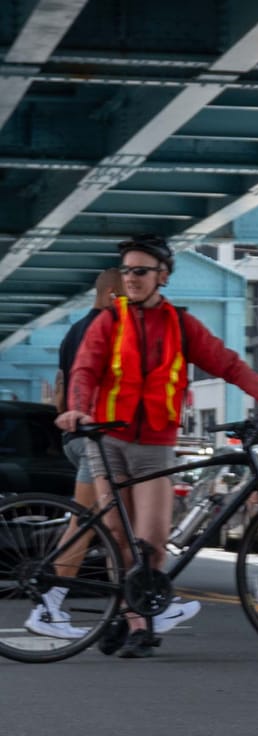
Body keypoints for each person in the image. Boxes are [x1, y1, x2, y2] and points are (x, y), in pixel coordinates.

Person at [54, 236, 258, 658]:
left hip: (154, 445)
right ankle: (136, 623)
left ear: (162, 277)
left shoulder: (181, 325)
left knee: (152, 540)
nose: (131, 278)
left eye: (141, 271)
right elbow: (84, 371)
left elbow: (229, 364)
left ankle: (124, 616)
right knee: (116, 533)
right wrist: (77, 409)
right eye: (127, 270)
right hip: (108, 439)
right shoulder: (110, 321)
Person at [26, 271, 125, 640]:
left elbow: (62, 384)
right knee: (90, 523)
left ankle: (134, 611)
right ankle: (50, 605)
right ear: (115, 293)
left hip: (74, 434)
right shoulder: (107, 326)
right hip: (95, 436)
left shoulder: (76, 331)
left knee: (112, 525)